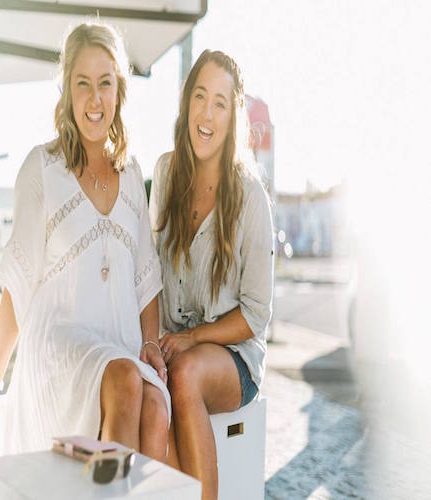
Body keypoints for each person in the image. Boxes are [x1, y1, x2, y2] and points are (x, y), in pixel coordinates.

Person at [0, 22, 169, 460]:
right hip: (59, 349)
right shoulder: (41, 168)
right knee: (125, 382)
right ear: (67, 92)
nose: (95, 99)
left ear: (119, 91)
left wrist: (150, 342)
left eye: (105, 84)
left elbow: (146, 278)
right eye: (83, 84)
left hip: (120, 345)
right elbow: (18, 282)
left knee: (154, 405)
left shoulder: (132, 175)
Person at [149, 50, 274, 499]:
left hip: (234, 358)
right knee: (144, 382)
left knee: (183, 374)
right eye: (199, 96)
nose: (206, 113)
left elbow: (256, 316)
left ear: (233, 117)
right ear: (186, 104)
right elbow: (148, 273)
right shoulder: (165, 174)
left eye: (220, 102)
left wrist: (193, 338)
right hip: (173, 343)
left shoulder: (249, 196)